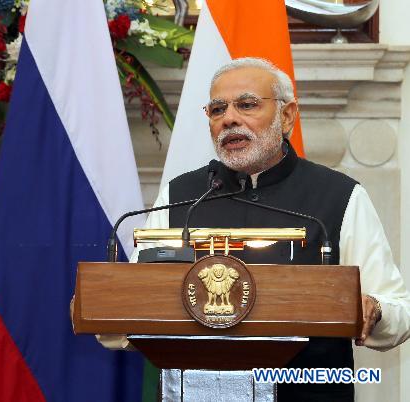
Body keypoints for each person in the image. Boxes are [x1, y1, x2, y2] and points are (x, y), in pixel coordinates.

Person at [114, 57, 410, 401]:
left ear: (286, 116)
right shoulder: (180, 196)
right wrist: (104, 308)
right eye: (217, 109)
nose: (229, 119)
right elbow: (130, 303)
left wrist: (374, 309)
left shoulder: (340, 196)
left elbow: (398, 311)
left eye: (247, 105)